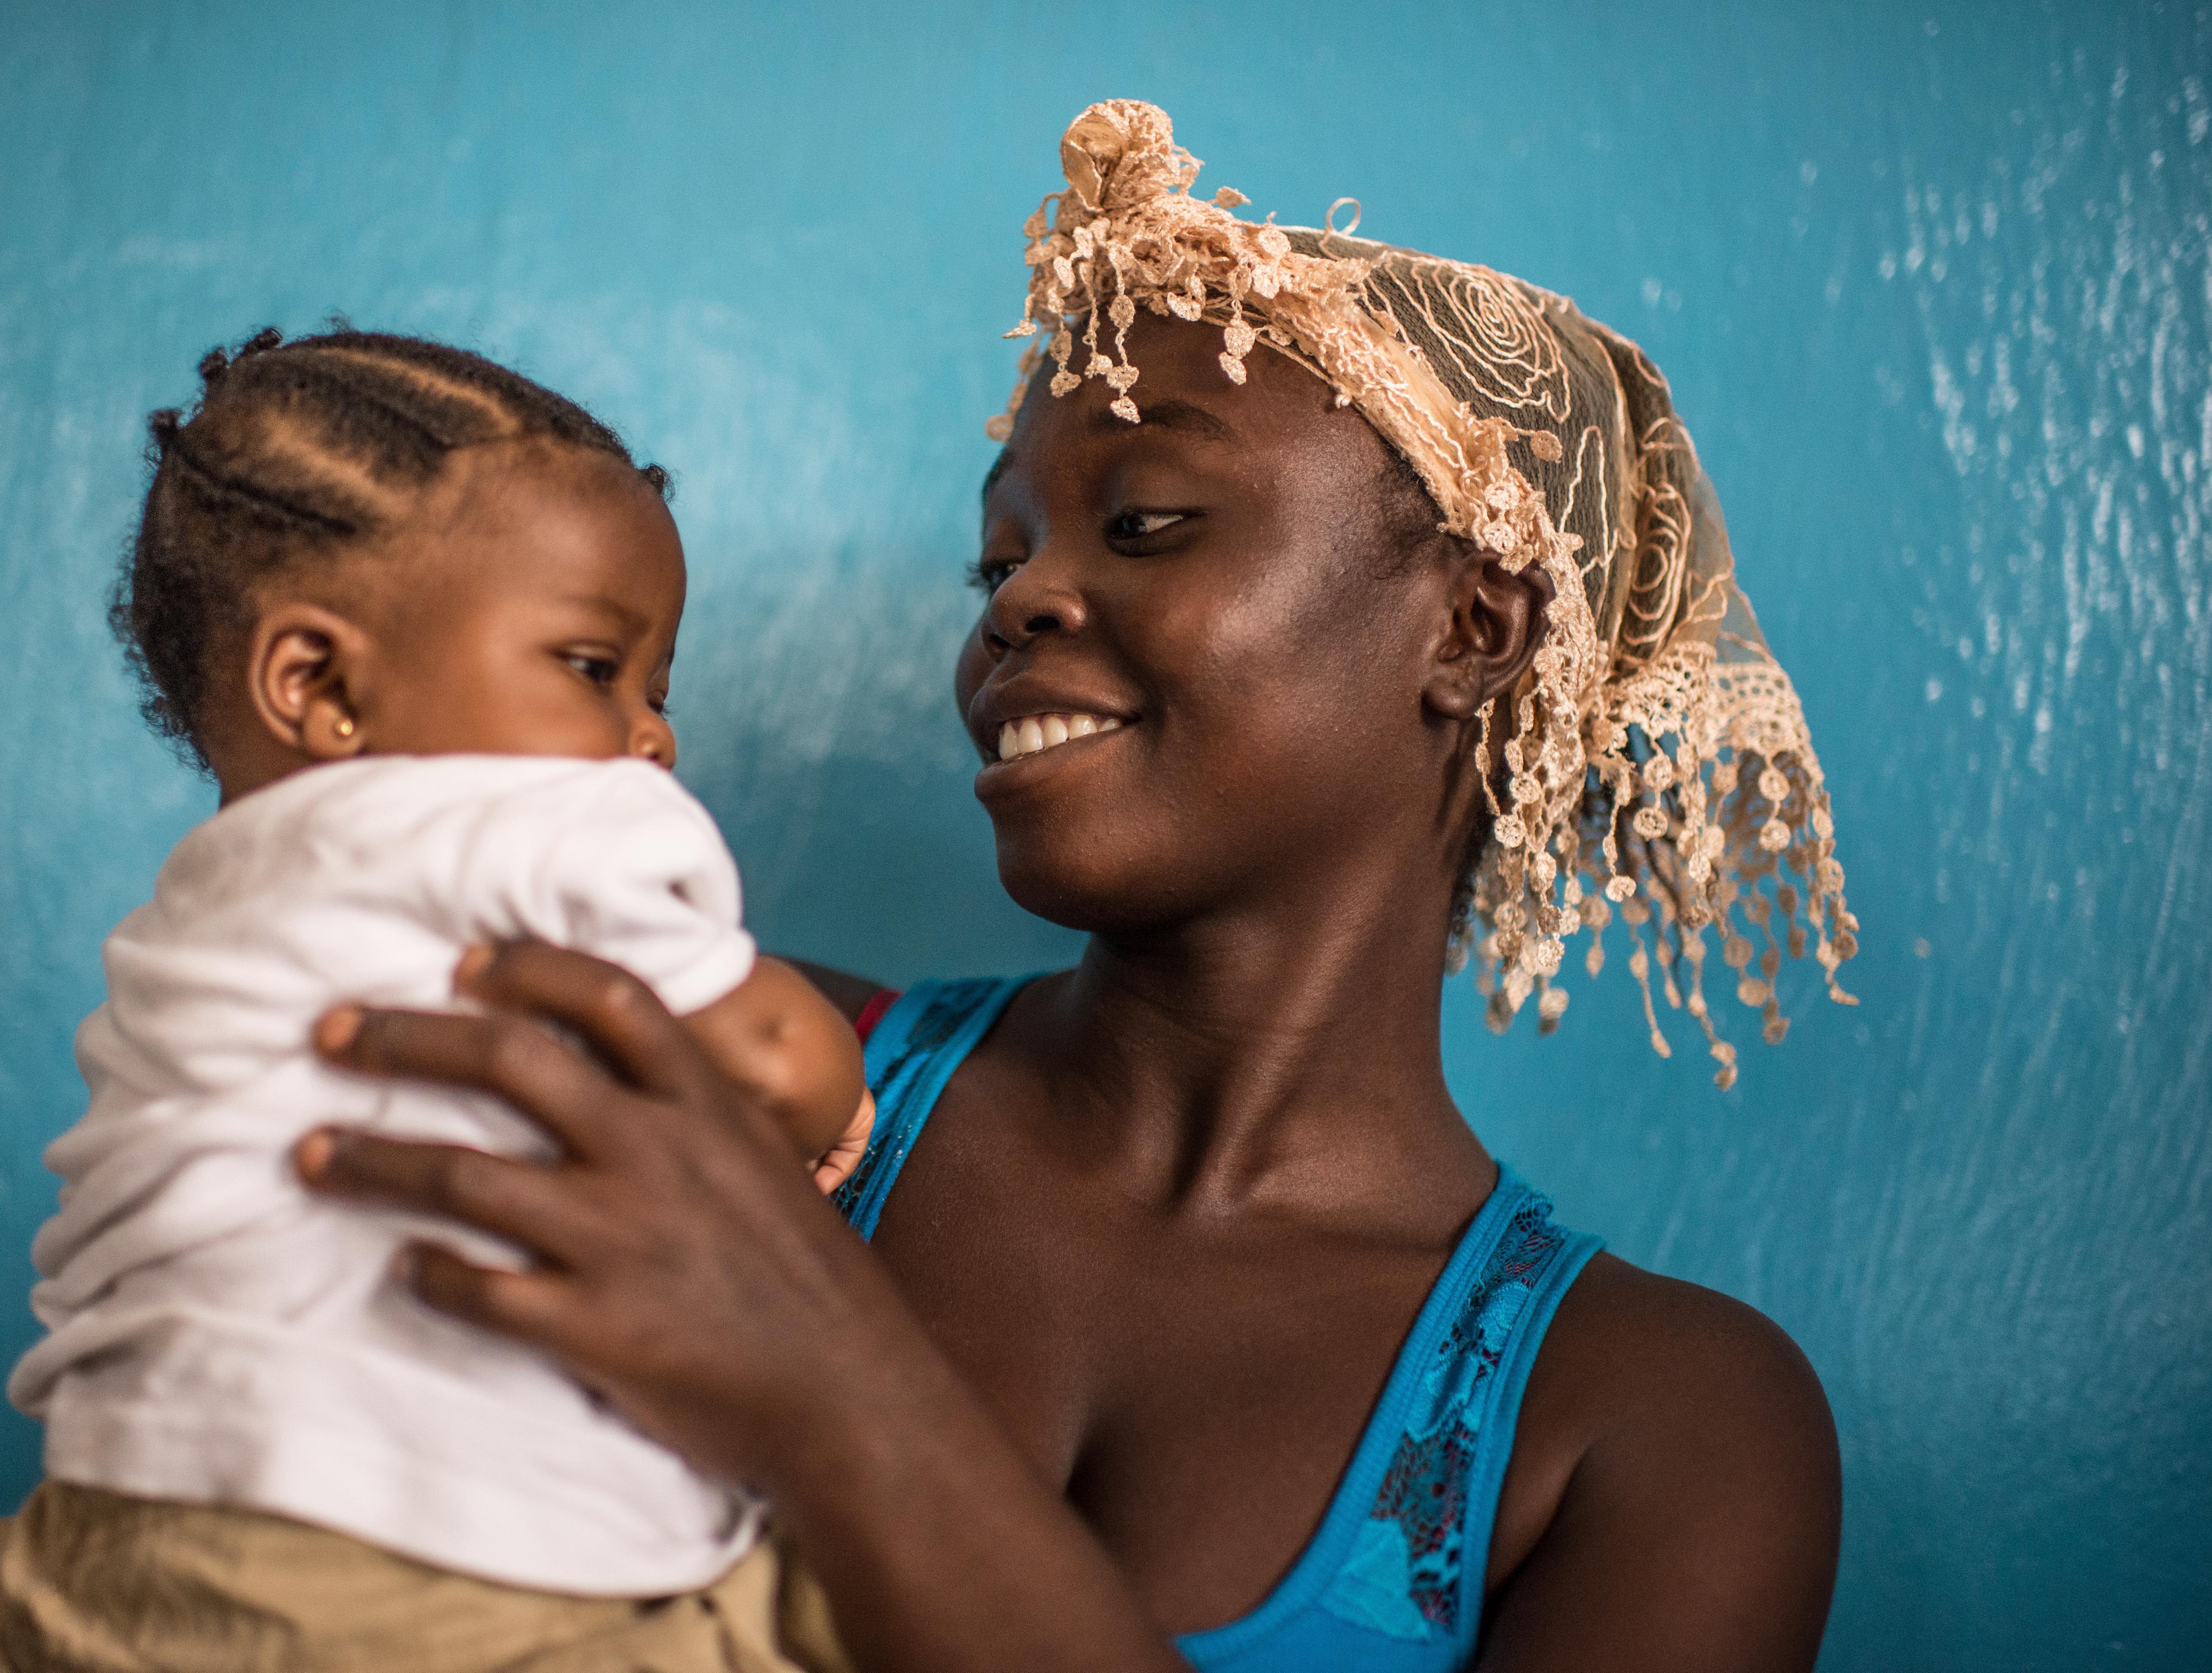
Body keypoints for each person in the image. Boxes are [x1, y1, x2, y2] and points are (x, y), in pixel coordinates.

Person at [290, 102, 1855, 1673]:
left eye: (1148, 523)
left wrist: (833, 1393)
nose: (1024, 597)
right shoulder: (736, 1072)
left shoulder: (1663, 1427)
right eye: (1003, 559)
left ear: (1474, 632)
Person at [0, 329, 870, 1673]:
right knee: (861, 1593)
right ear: (321, 686)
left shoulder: (188, 922)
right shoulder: (549, 826)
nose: (650, 737)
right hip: (431, 1549)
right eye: (592, 667)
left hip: (132, 1513)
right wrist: (832, 1111)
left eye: (654, 689)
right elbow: (778, 1054)